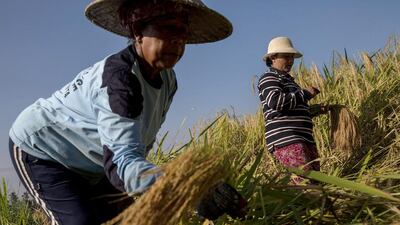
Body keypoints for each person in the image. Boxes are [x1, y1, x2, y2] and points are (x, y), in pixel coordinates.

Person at [8, 0, 246, 224]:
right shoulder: (121, 82)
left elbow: (131, 148)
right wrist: (188, 187)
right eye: (167, 28)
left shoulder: (167, 79)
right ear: (137, 32)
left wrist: (192, 191)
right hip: (44, 150)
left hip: (97, 162)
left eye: (182, 31)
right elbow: (123, 167)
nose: (177, 40)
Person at [257, 37, 329, 182]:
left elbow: (292, 109)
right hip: (287, 139)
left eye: (292, 57)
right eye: (286, 57)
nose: (290, 61)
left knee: (317, 182)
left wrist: (315, 110)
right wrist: (306, 93)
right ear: (273, 57)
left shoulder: (290, 81)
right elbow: (276, 102)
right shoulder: (269, 77)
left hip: (303, 138)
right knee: (305, 184)